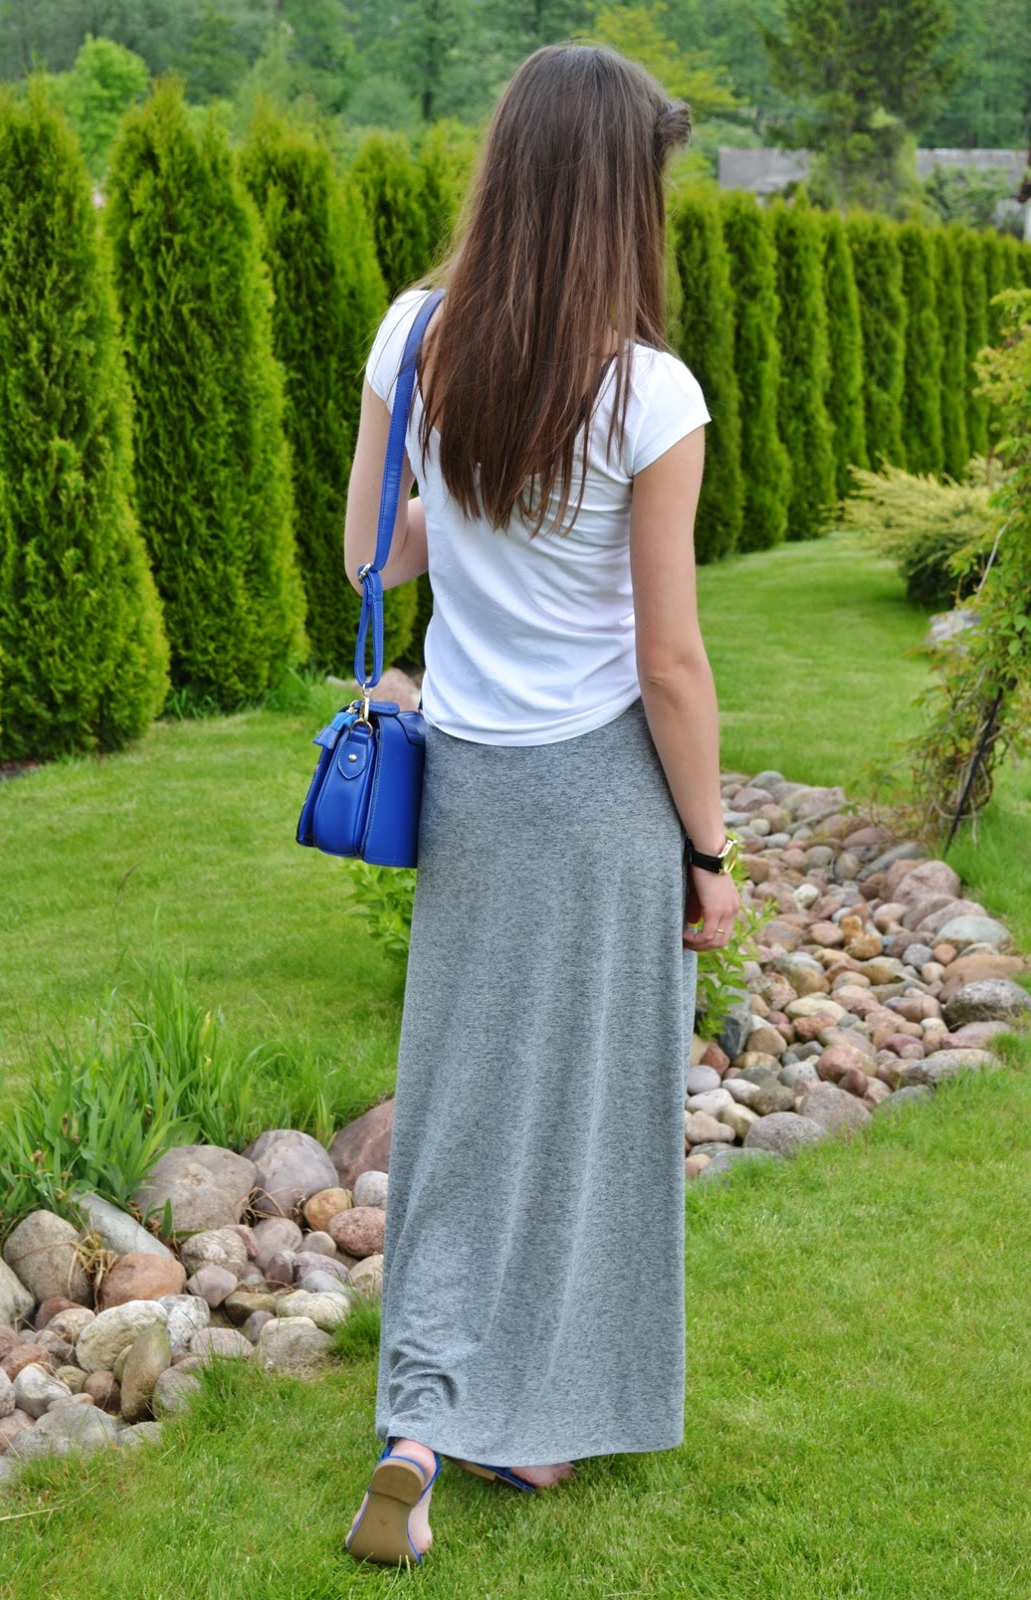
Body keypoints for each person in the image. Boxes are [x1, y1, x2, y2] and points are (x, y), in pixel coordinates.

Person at [341, 41, 741, 1568]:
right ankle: (531, 1426)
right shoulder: (650, 392)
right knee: (581, 1113)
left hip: (469, 784)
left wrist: (468, 508)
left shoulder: (416, 333)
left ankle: (420, 1421)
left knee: (455, 1101)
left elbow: (374, 558)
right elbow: (671, 662)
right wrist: (709, 851)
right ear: (620, 194)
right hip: (598, 795)